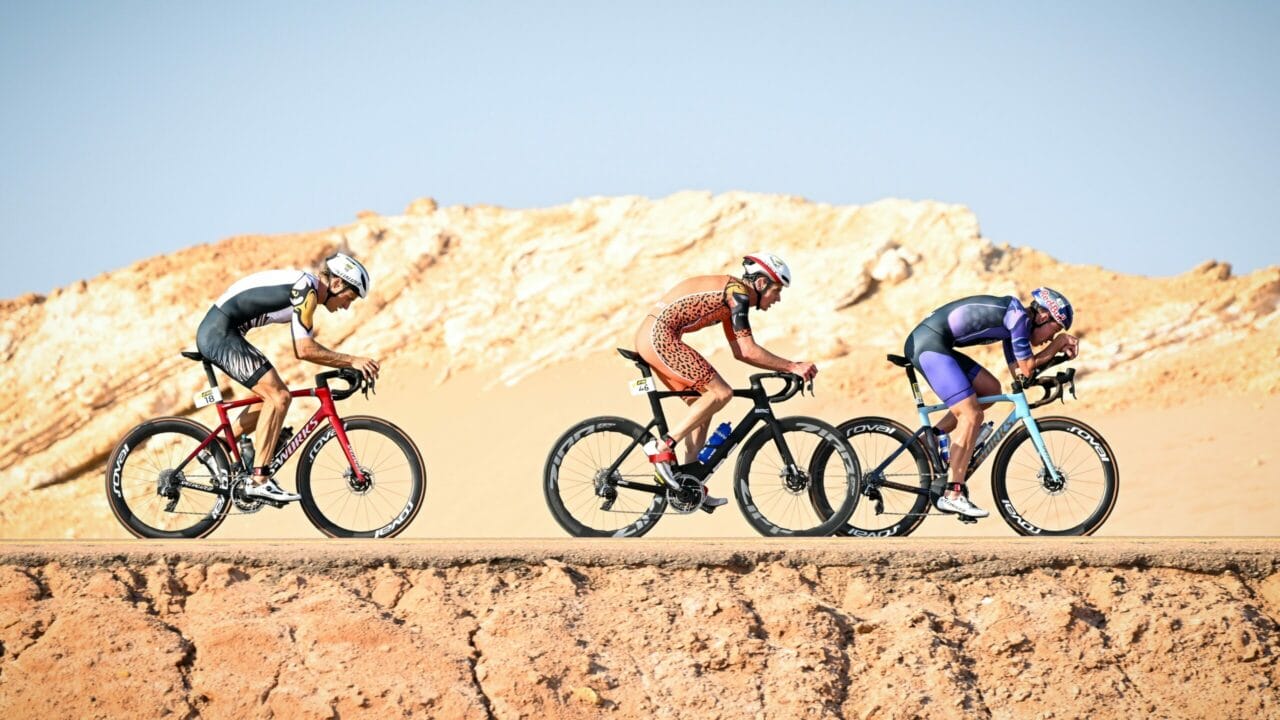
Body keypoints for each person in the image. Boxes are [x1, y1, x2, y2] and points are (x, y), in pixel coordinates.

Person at [634, 252, 818, 508]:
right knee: (721, 393)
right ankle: (662, 446)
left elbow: (741, 351)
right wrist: (793, 366)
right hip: (660, 337)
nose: (778, 299)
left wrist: (789, 367)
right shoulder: (737, 295)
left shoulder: (731, 295)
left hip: (655, 336)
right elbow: (749, 350)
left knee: (703, 405)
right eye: (777, 290)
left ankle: (688, 481)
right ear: (762, 284)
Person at [195, 252, 380, 502]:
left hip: (224, 331)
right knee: (279, 396)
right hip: (220, 333)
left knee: (268, 398)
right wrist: (352, 360)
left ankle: (216, 449)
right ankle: (259, 480)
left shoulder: (305, 288)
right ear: (337, 284)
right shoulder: (307, 291)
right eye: (349, 298)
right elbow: (303, 349)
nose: (346, 306)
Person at [904, 287, 1078, 518]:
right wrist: (1059, 344)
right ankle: (953, 494)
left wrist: (1055, 360)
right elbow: (1027, 367)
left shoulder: (1016, 323)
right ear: (1044, 316)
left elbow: (1020, 373)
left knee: (990, 389)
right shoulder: (1018, 318)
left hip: (935, 342)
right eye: (1054, 330)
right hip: (928, 345)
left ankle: (934, 435)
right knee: (971, 416)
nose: (1049, 338)